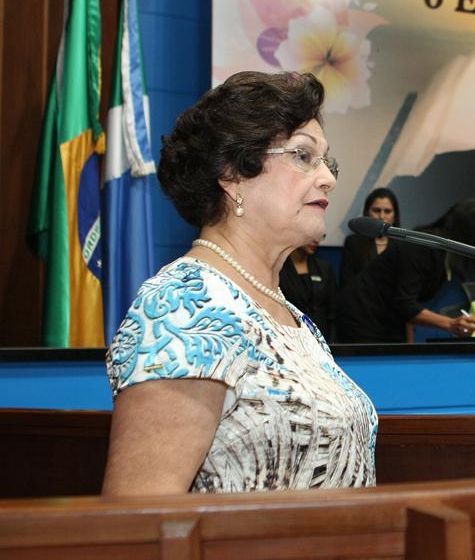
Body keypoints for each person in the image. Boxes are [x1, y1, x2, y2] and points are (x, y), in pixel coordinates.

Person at [102, 72, 377, 496]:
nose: (328, 178)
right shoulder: (186, 306)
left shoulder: (287, 313)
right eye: (303, 155)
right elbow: (137, 514)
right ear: (231, 173)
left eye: (326, 161)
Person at [337, 198, 475, 343]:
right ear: (469, 233)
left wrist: (410, 343)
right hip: (362, 322)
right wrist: (450, 323)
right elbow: (405, 304)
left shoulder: (443, 254)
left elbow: (409, 304)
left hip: (388, 323)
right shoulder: (423, 247)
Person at [279, 234, 339, 339]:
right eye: (312, 235)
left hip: (322, 336)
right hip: (291, 336)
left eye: (320, 236)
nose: (316, 240)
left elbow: (333, 310)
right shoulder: (279, 268)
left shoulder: (323, 267)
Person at [341, 188, 400, 287]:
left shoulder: (402, 245)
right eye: (377, 210)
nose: (382, 216)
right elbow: (347, 283)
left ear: (395, 216)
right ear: (367, 213)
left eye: (387, 211)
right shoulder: (353, 243)